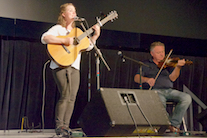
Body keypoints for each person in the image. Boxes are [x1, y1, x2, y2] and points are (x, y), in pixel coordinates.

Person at [41, 3, 101, 136]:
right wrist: (65, 40)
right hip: (60, 65)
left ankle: (66, 126)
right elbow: (44, 38)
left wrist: (95, 36)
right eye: (70, 11)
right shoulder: (57, 29)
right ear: (63, 14)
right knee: (65, 94)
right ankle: (59, 125)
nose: (74, 14)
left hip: (74, 66)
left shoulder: (78, 32)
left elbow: (88, 46)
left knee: (72, 97)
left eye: (75, 11)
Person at [134, 41, 192, 133]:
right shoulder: (146, 64)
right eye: (158, 53)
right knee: (160, 101)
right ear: (152, 53)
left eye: (163, 52)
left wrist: (178, 67)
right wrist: (147, 80)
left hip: (169, 90)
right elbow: (136, 78)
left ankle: (173, 124)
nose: (162, 55)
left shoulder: (168, 64)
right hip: (154, 91)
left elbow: (173, 78)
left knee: (186, 98)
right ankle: (167, 124)